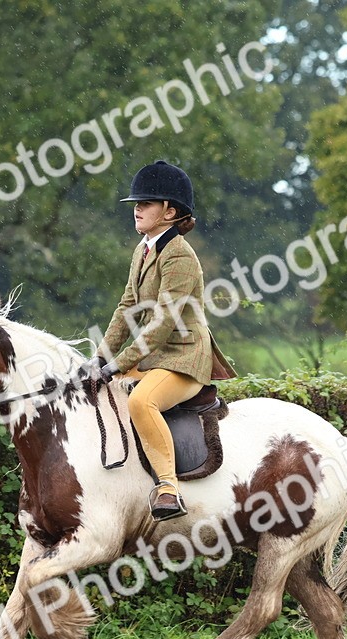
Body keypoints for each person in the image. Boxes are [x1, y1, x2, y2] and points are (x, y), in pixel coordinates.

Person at [81, 160, 237, 522]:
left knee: (141, 401)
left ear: (170, 211)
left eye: (146, 203)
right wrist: (99, 358)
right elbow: (126, 308)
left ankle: (168, 487)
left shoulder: (180, 254)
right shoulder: (143, 249)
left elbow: (163, 322)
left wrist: (118, 364)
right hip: (155, 357)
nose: (137, 208)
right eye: (137, 202)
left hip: (183, 358)